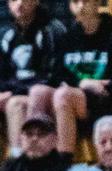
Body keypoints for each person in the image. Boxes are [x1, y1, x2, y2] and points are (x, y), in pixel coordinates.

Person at [26, 0, 112, 158]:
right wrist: (82, 83)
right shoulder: (69, 35)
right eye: (76, 2)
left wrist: (87, 85)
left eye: (86, 1)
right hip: (79, 97)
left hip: (107, 99)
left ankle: (63, 163)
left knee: (63, 95)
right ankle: (33, 159)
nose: (81, 6)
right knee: (38, 92)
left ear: (97, 4)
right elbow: (57, 74)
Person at [0, 0, 65, 155]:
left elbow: (52, 75)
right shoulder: (4, 32)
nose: (19, 3)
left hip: (45, 95)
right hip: (13, 92)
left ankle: (19, 165)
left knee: (16, 105)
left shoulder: (53, 30)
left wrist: (12, 92)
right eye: (14, 0)